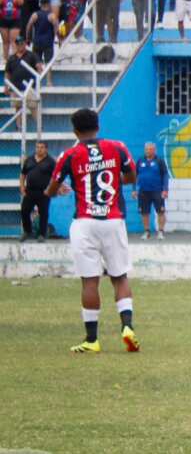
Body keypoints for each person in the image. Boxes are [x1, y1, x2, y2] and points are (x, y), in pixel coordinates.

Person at [46, 108, 140, 354]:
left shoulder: (70, 154)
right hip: (113, 220)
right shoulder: (117, 147)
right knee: (119, 277)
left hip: (85, 222)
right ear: (98, 126)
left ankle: (92, 340)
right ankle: (127, 327)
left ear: (74, 130)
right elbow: (131, 177)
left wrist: (58, 190)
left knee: (90, 280)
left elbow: (52, 188)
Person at [20, 140, 55, 242]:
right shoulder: (29, 160)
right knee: (24, 210)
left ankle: (42, 235)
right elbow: (23, 175)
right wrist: (22, 187)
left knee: (43, 213)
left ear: (46, 149)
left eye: (41, 147)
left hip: (43, 192)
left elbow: (55, 177)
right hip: (29, 191)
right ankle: (27, 231)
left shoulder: (51, 162)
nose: (39, 149)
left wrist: (50, 189)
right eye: (37, 147)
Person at [132, 142, 169, 240]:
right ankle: (147, 232)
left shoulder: (159, 161)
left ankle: (160, 232)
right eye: (147, 149)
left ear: (154, 150)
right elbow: (135, 175)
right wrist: (134, 189)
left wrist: (165, 189)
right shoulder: (140, 161)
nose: (148, 151)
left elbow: (165, 175)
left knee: (160, 211)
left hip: (157, 190)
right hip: (143, 191)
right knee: (144, 212)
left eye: (150, 149)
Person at [5, 37, 43, 130]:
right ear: (16, 45)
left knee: (33, 106)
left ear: (25, 44)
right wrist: (7, 86)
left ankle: (39, 127)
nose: (20, 45)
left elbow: (39, 66)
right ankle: (19, 126)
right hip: (15, 87)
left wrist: (39, 74)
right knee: (18, 107)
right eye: (18, 43)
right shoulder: (11, 58)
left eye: (22, 43)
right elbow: (8, 73)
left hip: (29, 86)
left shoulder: (31, 55)